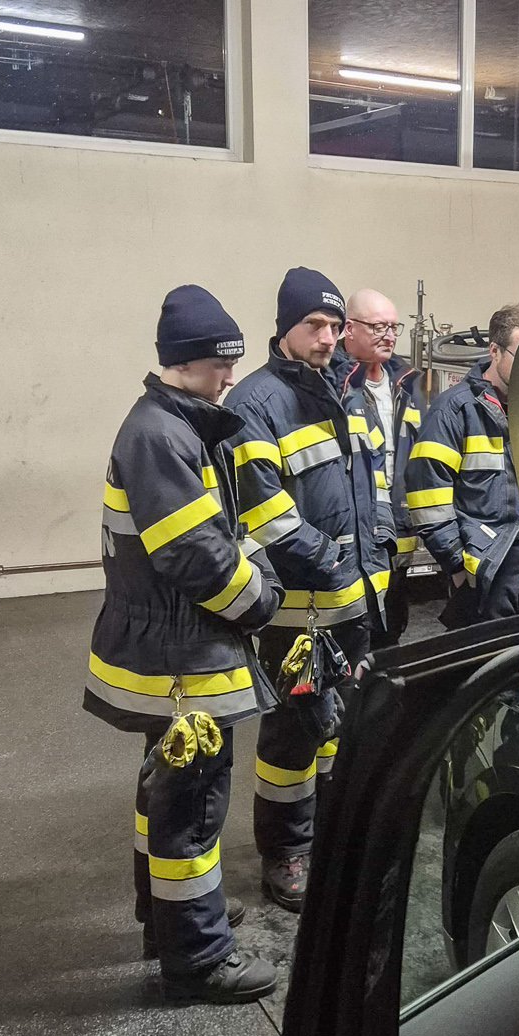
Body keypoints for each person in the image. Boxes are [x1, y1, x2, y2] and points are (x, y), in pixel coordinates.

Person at [83, 284, 282, 1004]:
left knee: (164, 792)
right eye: (219, 364)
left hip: (168, 649)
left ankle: (167, 918)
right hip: (182, 661)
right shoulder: (161, 436)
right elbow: (197, 555)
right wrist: (260, 601)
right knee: (190, 805)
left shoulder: (174, 425)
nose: (230, 377)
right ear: (184, 361)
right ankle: (197, 956)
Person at [226, 268, 390, 912]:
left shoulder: (345, 391)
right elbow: (266, 515)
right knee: (292, 736)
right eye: (313, 325)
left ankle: (326, 832)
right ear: (284, 328)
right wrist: (336, 562)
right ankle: (286, 852)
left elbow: (372, 482)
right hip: (298, 613)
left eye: (333, 325)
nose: (326, 337)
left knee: (338, 727)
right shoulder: (255, 405)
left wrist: (376, 557)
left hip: (352, 602)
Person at [405, 301, 519, 623]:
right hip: (488, 568)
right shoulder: (454, 410)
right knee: (493, 653)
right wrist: (457, 565)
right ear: (494, 351)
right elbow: (427, 497)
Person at [332, 287, 426, 649]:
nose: (388, 335)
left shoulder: (407, 383)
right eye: (377, 327)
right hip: (355, 530)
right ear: (349, 329)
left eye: (393, 327)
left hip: (398, 528)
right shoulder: (334, 384)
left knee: (392, 626)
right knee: (357, 632)